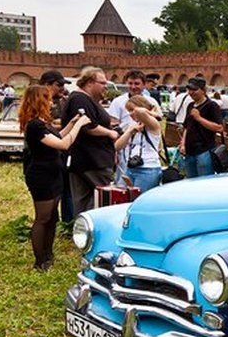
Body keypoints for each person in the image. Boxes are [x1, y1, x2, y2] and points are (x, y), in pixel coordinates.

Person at [18, 85, 91, 270]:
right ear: (39, 101)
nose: (51, 102)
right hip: (41, 176)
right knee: (42, 218)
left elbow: (58, 135)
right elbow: (63, 144)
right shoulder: (34, 125)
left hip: (53, 174)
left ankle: (48, 254)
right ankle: (40, 260)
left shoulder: (42, 123)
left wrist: (73, 123)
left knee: (52, 217)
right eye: (47, 99)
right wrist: (80, 126)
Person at [62, 66, 119, 215]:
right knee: (107, 198)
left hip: (86, 160)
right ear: (89, 83)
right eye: (103, 83)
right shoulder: (80, 99)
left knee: (86, 202)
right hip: (92, 160)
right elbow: (88, 126)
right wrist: (110, 133)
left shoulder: (84, 99)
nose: (105, 87)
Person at [108, 69, 161, 185]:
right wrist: (131, 130)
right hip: (128, 159)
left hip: (147, 166)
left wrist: (148, 113)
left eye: (136, 83)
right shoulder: (118, 102)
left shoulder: (151, 105)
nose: (133, 87)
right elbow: (115, 141)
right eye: (130, 83)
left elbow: (142, 112)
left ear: (144, 84)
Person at [39, 70, 74, 222]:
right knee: (49, 196)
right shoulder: (39, 102)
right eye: (58, 85)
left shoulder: (61, 100)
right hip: (45, 153)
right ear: (47, 84)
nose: (62, 88)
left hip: (59, 152)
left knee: (66, 188)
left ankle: (66, 220)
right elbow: (47, 125)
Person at [114, 95, 163, 192]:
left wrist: (152, 113)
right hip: (131, 168)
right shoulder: (132, 125)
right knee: (127, 199)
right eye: (129, 111)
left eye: (132, 110)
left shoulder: (153, 124)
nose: (131, 114)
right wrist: (130, 132)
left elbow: (139, 111)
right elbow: (117, 146)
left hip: (147, 169)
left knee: (140, 200)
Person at [179, 77, 223, 178]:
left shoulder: (211, 106)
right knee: (191, 181)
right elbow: (187, 127)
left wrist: (199, 118)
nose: (191, 92)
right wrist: (183, 144)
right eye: (189, 90)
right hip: (189, 151)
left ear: (203, 90)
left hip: (204, 151)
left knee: (204, 181)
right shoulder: (190, 105)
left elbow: (219, 128)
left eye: (194, 90)